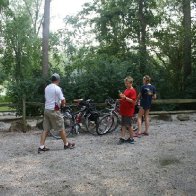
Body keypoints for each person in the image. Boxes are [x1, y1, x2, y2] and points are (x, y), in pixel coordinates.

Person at [38, 73, 75, 153]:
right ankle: (66, 144)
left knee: (45, 129)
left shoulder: (47, 87)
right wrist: (63, 105)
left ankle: (41, 146)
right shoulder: (57, 88)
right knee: (61, 127)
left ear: (52, 80)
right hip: (54, 110)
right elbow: (62, 100)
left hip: (46, 110)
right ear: (58, 80)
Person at [118, 76, 137, 144]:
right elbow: (125, 98)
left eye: (127, 83)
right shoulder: (126, 90)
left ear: (131, 83)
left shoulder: (132, 90)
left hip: (129, 110)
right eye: (125, 83)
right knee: (123, 124)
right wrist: (120, 99)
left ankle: (131, 138)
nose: (126, 84)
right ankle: (122, 138)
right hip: (124, 110)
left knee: (129, 125)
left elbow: (133, 101)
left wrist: (125, 98)